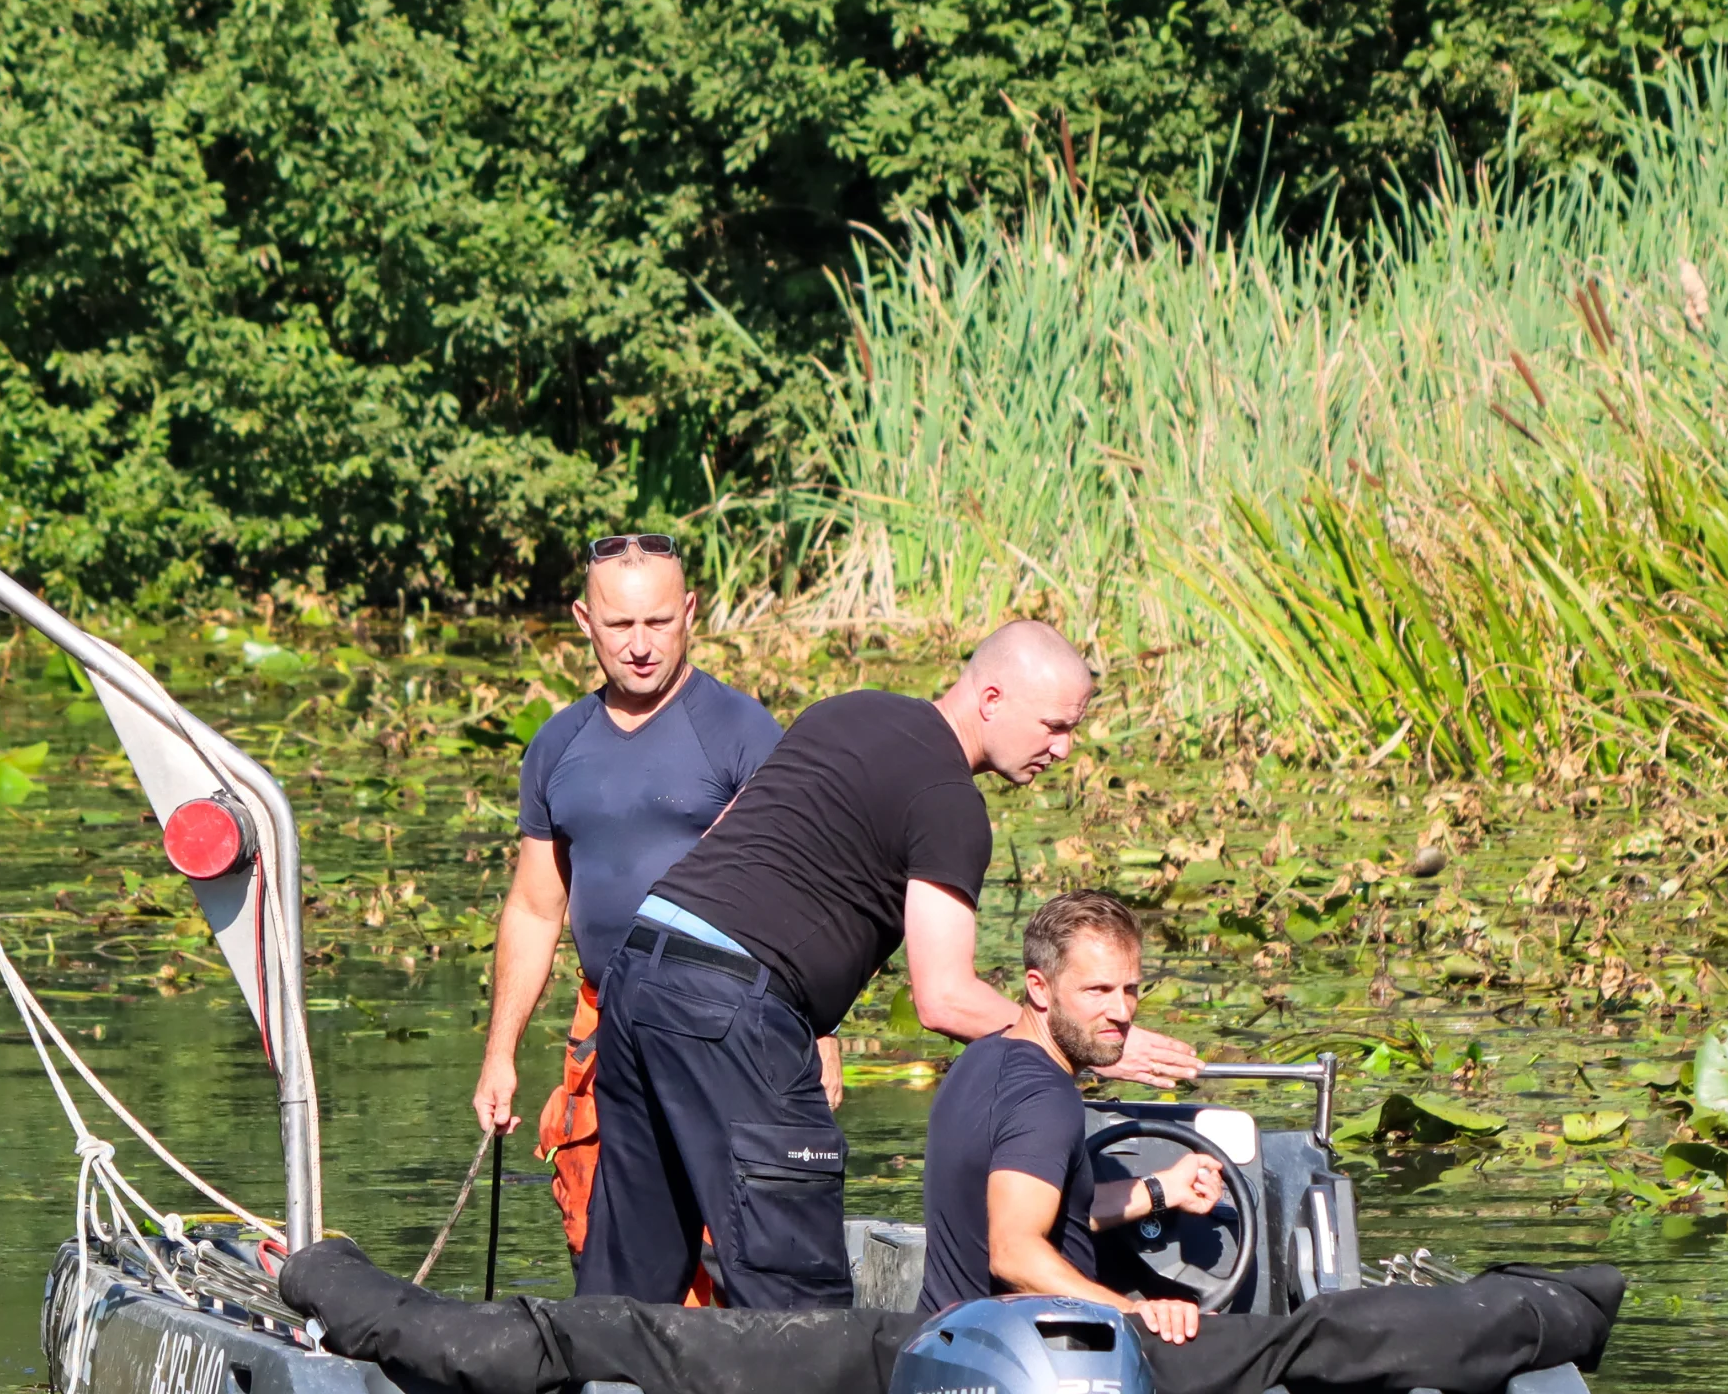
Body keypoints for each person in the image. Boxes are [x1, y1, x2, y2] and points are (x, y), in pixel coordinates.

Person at [580, 619, 1200, 1310]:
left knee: (629, 1274)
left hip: (639, 969)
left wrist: (811, 1018)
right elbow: (944, 997)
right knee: (797, 1290)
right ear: (991, 698)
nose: (1063, 749)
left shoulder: (850, 709)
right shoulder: (951, 803)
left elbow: (731, 841)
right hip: (727, 1004)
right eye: (1053, 726)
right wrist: (1087, 1042)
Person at [470, 534, 787, 1282]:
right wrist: (499, 1054)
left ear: (690, 613)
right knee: (596, 1230)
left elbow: (789, 892)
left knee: (729, 1236)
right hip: (603, 1019)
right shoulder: (558, 743)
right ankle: (610, 1383)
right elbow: (534, 910)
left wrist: (821, 1034)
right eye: (620, 627)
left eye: (658, 623)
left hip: (720, 1022)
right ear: (585, 621)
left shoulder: (741, 732)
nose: (641, 647)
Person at [923, 888, 1225, 1340]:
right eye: (1097, 991)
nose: (1122, 1011)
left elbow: (1045, 1206)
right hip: (1030, 1361)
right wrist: (1135, 1315)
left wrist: (1161, 1189)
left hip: (943, 1343)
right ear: (1039, 987)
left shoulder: (980, 1059)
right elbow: (1013, 1253)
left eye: (1130, 989)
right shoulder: (1046, 1097)